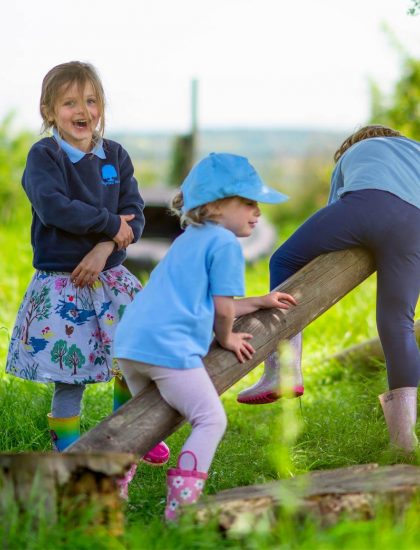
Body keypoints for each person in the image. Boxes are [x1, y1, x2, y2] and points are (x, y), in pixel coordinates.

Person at [5, 61, 170, 495]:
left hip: (112, 280)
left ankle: (125, 440)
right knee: (70, 376)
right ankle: (71, 462)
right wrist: (107, 224)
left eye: (92, 101)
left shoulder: (114, 156)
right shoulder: (46, 156)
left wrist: (104, 247)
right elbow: (53, 206)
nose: (84, 110)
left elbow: (133, 218)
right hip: (64, 285)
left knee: (131, 359)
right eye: (71, 102)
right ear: (49, 110)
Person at [114, 152, 297, 520]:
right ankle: (180, 511)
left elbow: (203, 301)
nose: (257, 213)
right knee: (211, 419)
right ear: (214, 206)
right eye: (247, 203)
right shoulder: (226, 244)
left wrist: (259, 301)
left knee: (145, 422)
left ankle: (115, 488)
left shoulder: (188, 239)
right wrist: (227, 338)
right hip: (168, 348)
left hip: (131, 347)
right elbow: (222, 310)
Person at [237, 125, 420, 453]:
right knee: (398, 324)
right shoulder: (415, 151)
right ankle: (404, 441)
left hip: (368, 204)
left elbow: (336, 208)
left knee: (284, 259)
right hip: (416, 224)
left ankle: (284, 370)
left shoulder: (354, 153)